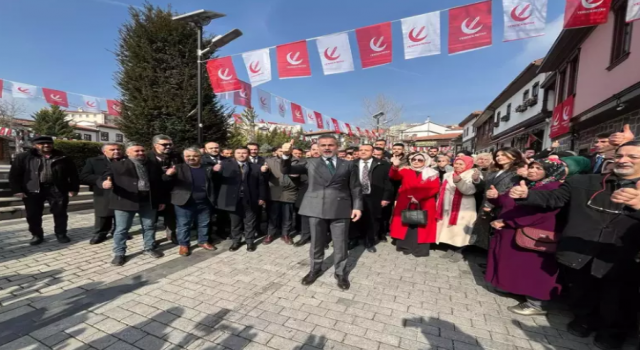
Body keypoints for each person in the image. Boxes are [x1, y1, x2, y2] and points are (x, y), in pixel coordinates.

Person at [508, 141, 640, 350]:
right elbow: (555, 197)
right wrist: (528, 195)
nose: (623, 160)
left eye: (633, 157)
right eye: (620, 155)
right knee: (581, 291)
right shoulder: (584, 181)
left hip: (621, 256)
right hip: (580, 249)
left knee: (617, 298)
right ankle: (583, 321)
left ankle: (612, 334)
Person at [485, 158, 565, 316]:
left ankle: (536, 303)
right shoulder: (526, 184)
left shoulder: (554, 188)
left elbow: (543, 214)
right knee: (514, 264)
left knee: (533, 269)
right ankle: (512, 287)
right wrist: (494, 197)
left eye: (539, 168)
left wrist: (509, 222)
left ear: (551, 172)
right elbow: (505, 200)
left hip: (534, 235)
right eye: (531, 167)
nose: (532, 171)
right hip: (511, 229)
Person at [281, 136, 362, 290]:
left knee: (340, 243)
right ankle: (315, 269)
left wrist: (357, 206)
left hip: (340, 207)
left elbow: (356, 187)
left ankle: (340, 273)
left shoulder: (348, 164)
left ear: (337, 147)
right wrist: (286, 155)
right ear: (318, 148)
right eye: (323, 145)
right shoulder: (310, 162)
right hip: (316, 207)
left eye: (330, 145)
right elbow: (287, 170)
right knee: (317, 242)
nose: (327, 148)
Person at [102, 142, 167, 266]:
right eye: (137, 151)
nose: (141, 153)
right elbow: (105, 178)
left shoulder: (153, 165)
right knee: (122, 229)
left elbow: (159, 184)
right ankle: (119, 253)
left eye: (142, 151)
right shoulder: (117, 165)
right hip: (126, 201)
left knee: (149, 226)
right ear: (128, 153)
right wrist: (104, 183)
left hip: (147, 201)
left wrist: (161, 200)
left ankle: (149, 247)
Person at [9, 136, 79, 245]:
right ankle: (36, 235)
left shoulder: (63, 157)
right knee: (33, 214)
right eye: (42, 143)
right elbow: (14, 174)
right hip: (32, 189)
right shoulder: (24, 157)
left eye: (49, 143)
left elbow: (73, 174)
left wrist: (74, 188)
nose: (46, 145)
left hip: (57, 188)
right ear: (34, 145)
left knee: (60, 212)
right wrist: (17, 189)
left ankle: (61, 234)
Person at [163, 147, 217, 256]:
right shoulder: (178, 168)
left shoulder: (207, 168)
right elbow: (164, 181)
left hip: (204, 202)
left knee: (204, 223)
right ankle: (184, 245)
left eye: (195, 156)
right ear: (184, 157)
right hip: (184, 202)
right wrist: (168, 175)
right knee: (184, 225)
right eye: (188, 156)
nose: (191, 158)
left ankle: (203, 241)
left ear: (200, 157)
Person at [471, 147, 526, 250]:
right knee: (486, 231)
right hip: (488, 202)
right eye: (497, 155)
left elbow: (511, 190)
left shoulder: (517, 171)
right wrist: (477, 180)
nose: (499, 157)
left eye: (503, 155)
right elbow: (485, 188)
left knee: (497, 233)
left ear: (513, 156)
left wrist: (492, 203)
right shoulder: (494, 171)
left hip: (503, 206)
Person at [213, 147, 266, 252]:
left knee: (250, 222)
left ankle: (249, 242)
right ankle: (236, 241)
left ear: (248, 154)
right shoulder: (225, 165)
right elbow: (215, 180)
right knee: (235, 222)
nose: (241, 155)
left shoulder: (256, 167)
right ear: (234, 154)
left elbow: (261, 184)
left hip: (250, 199)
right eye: (239, 153)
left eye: (244, 153)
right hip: (233, 199)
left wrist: (262, 197)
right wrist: (214, 171)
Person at [389, 152, 440, 257]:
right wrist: (395, 166)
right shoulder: (405, 170)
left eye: (419, 160)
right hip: (406, 201)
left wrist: (418, 197)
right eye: (413, 159)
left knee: (421, 226)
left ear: (425, 161)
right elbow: (394, 176)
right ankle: (405, 247)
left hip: (424, 203)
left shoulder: (432, 173)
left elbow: (434, 188)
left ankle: (420, 249)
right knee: (405, 224)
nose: (416, 161)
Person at [349, 144, 393, 252]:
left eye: (366, 150)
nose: (363, 152)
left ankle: (369, 241)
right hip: (355, 196)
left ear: (372, 152)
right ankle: (354, 239)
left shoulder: (383, 164)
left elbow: (388, 183)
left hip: (374, 196)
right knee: (354, 219)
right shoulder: (351, 164)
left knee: (372, 220)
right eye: (361, 150)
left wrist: (386, 198)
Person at [436, 156, 478, 262]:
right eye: (456, 163)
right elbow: (443, 190)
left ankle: (460, 250)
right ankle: (451, 247)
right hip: (449, 204)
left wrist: (459, 182)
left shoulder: (472, 174)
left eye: (461, 164)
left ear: (468, 164)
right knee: (450, 227)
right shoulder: (448, 174)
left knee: (461, 228)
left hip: (465, 205)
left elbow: (469, 191)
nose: (457, 166)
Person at [80, 143, 122, 245]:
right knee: (103, 213)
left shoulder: (125, 160)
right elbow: (84, 176)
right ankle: (100, 233)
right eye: (112, 149)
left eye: (118, 149)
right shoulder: (93, 161)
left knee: (121, 213)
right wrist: (101, 181)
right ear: (104, 152)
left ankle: (119, 231)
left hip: (122, 192)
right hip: (103, 191)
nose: (116, 151)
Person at [146, 135, 183, 245]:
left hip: (172, 192)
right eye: (164, 144)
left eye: (170, 144)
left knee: (171, 216)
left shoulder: (176, 156)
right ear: (155, 145)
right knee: (152, 219)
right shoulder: (147, 157)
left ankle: (172, 235)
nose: (168, 146)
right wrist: (166, 174)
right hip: (154, 192)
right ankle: (150, 241)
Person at [264, 148, 298, 245]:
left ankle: (285, 234)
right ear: (276, 152)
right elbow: (264, 175)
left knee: (288, 216)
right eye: (280, 151)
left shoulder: (295, 161)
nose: (282, 152)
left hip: (289, 192)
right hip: (275, 191)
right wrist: (265, 171)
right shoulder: (269, 161)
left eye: (285, 151)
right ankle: (270, 234)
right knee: (273, 215)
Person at [293, 144, 319, 247]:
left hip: (321, 194)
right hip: (305, 192)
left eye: (318, 149)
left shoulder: (328, 163)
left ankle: (320, 239)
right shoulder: (303, 163)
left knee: (319, 218)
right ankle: (304, 237)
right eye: (313, 149)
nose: (316, 151)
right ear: (310, 151)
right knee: (305, 217)